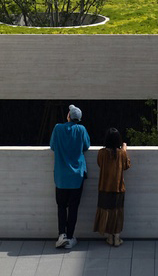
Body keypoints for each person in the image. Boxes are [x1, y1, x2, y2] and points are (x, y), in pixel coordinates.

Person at [49, 104, 91, 249]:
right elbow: (86, 146)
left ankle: (62, 235)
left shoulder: (57, 128)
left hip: (61, 176)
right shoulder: (81, 129)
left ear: (68, 116)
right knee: (73, 207)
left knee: (61, 206)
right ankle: (71, 236)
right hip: (77, 176)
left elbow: (52, 146)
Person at [93, 127, 131, 246]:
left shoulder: (101, 153)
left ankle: (110, 237)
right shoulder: (121, 153)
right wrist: (124, 149)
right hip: (118, 188)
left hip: (104, 187)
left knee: (107, 212)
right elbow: (127, 165)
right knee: (117, 213)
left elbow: (99, 164)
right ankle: (117, 238)